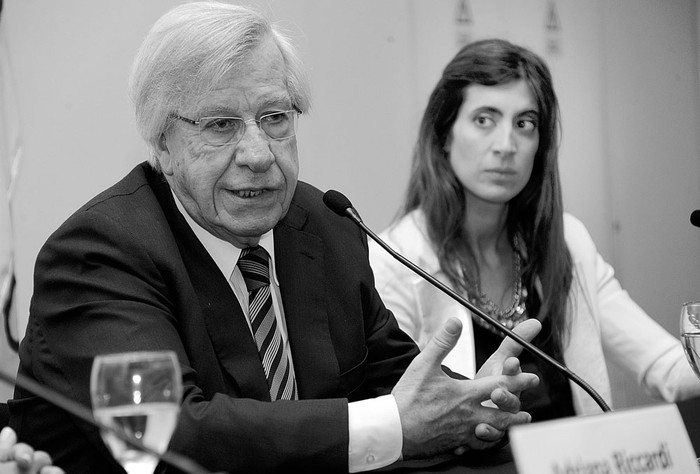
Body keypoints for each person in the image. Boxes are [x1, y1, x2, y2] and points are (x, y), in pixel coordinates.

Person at [8, 4, 541, 473]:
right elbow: (167, 435)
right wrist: (394, 427)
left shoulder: (322, 221)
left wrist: (468, 399)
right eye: (220, 125)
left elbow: (395, 382)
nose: (259, 154)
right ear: (163, 145)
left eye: (274, 118)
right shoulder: (97, 255)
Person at [369, 37, 700, 421]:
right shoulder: (395, 259)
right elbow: (400, 421)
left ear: (540, 144)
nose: (506, 145)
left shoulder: (567, 242)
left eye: (525, 124)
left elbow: (668, 366)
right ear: (444, 134)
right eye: (484, 120)